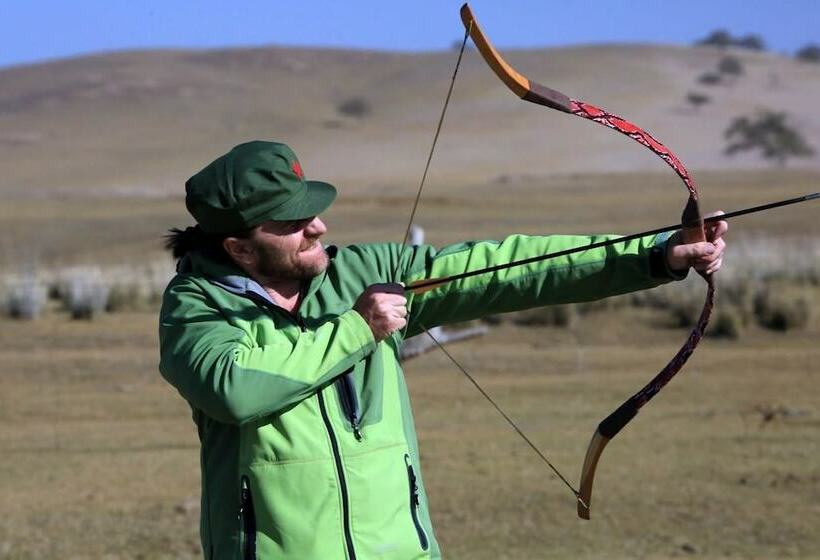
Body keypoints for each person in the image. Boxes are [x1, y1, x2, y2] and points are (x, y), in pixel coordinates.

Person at [158, 140, 727, 560]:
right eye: (294, 222)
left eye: (313, 210)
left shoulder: (360, 272)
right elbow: (233, 389)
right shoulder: (195, 308)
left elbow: (497, 269)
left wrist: (655, 254)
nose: (319, 226)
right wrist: (359, 329)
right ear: (240, 247)